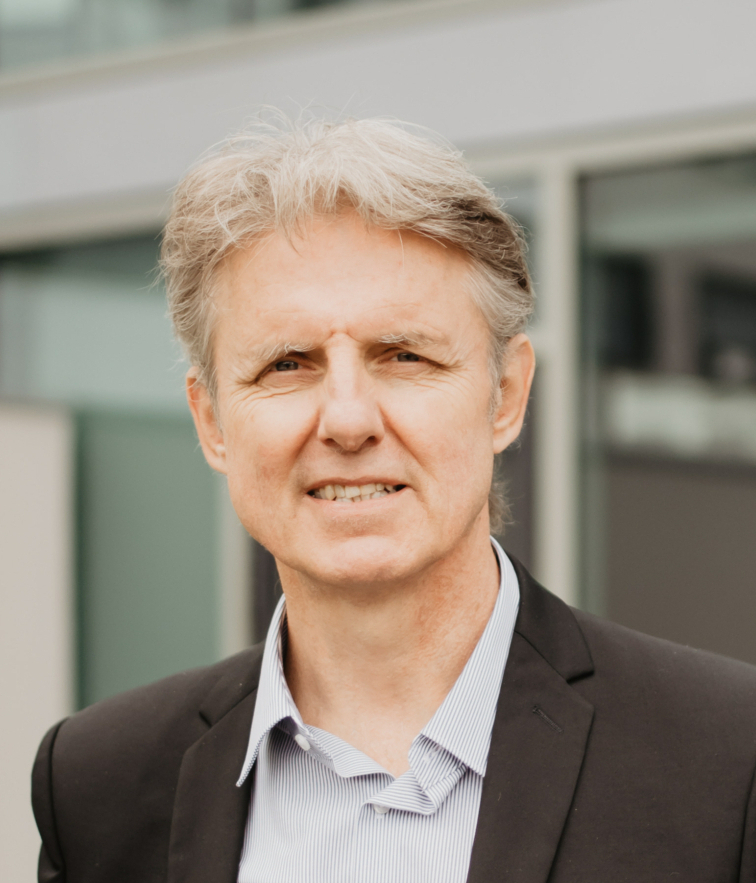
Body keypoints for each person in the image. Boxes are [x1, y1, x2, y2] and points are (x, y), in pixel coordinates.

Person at [32, 118, 756, 883]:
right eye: (287, 364)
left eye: (404, 355)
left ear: (507, 395)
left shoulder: (726, 762)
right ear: (211, 421)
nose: (348, 421)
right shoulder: (98, 786)